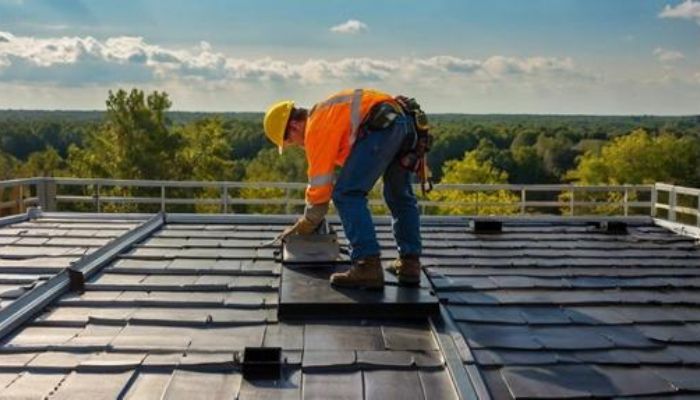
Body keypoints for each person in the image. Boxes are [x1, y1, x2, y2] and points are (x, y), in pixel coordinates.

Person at [262, 89, 422, 289]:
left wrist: (309, 221)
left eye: (291, 142)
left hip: (383, 126)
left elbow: (320, 184)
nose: (297, 145)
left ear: (294, 126)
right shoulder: (329, 115)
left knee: (347, 194)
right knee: (398, 195)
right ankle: (409, 264)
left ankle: (367, 265)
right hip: (403, 124)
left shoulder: (316, 127)